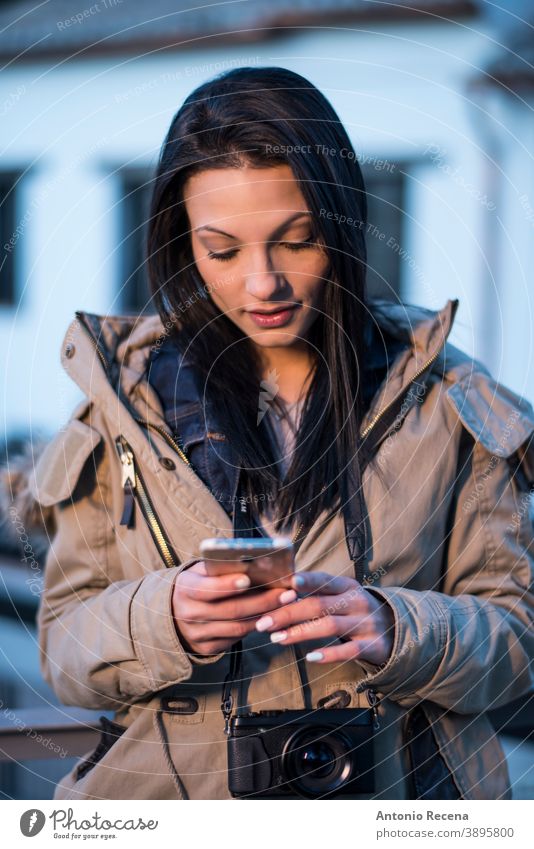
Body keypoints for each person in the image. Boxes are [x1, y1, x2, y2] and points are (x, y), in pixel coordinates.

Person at [28, 66, 533, 800]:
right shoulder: (126, 404)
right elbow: (62, 649)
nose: (262, 283)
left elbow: (518, 636)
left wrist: (401, 627)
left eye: (297, 240)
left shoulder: (452, 401)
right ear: (182, 243)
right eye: (223, 250)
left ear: (344, 222)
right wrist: (161, 615)